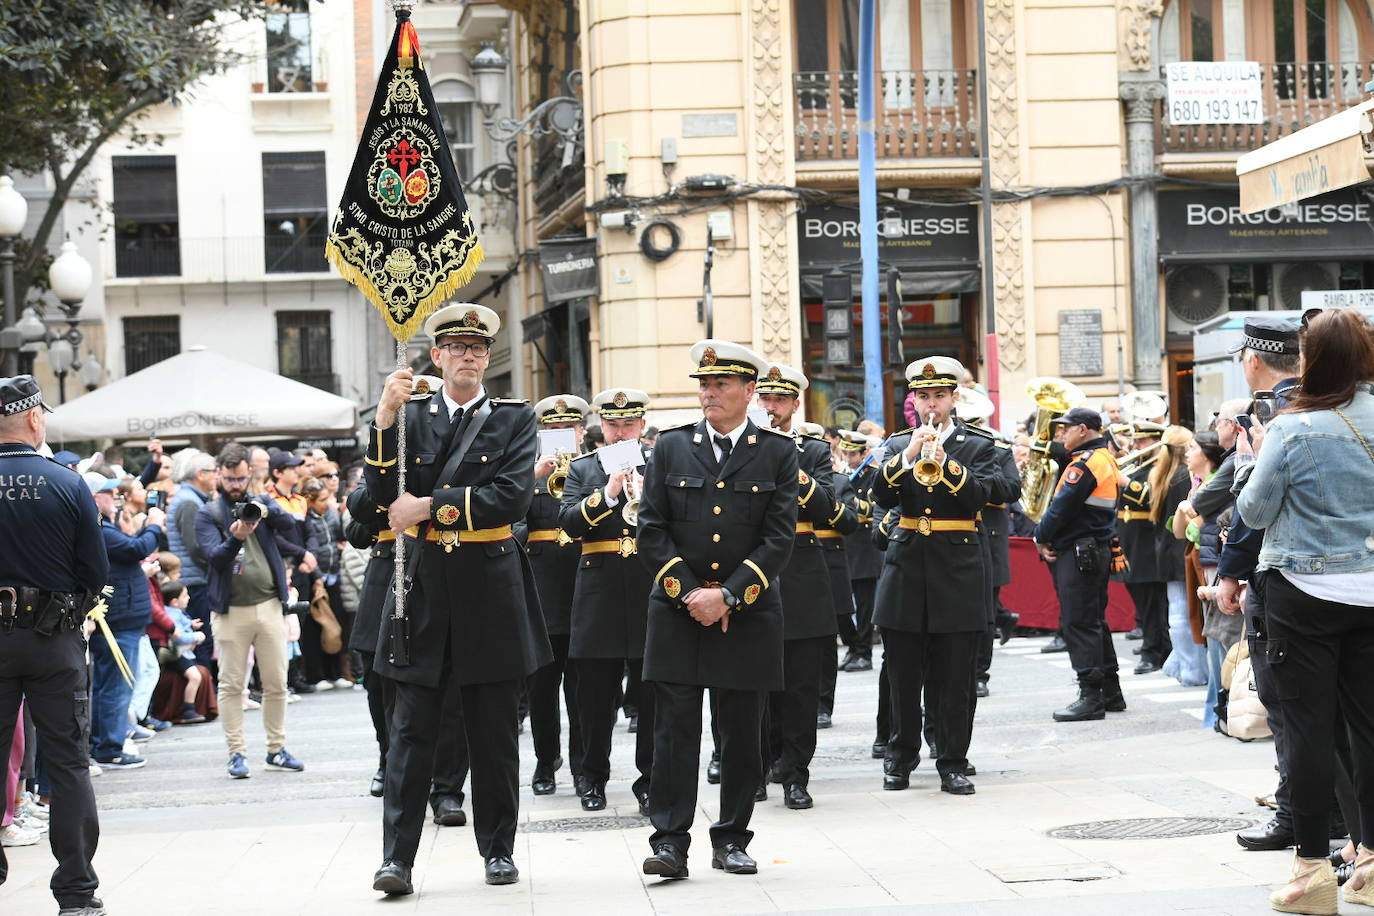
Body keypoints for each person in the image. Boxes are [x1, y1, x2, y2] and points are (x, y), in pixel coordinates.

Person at [366, 303, 550, 894]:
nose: (468, 355)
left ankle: (498, 850)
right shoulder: (410, 417)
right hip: (423, 590)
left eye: (477, 347)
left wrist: (428, 506)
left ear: (486, 357)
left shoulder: (514, 420)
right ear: (437, 356)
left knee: (494, 734)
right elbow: (378, 495)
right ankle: (397, 858)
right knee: (410, 733)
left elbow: (510, 499)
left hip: (489, 586)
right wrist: (383, 419)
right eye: (457, 347)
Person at [1228, 309, 1374, 913]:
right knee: (1369, 728)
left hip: (1305, 591)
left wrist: (1252, 458)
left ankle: (1312, 869)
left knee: (1311, 729)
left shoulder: (1293, 427)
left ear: (1311, 360)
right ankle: (1368, 861)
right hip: (1371, 586)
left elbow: (1256, 514)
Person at [638, 339, 797, 880]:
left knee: (740, 730)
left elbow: (778, 539)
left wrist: (728, 595)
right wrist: (691, 594)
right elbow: (651, 529)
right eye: (703, 385)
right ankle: (669, 840)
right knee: (674, 731)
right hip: (679, 612)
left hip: (746, 613)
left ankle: (732, 837)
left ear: (749, 391)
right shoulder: (671, 447)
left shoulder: (777, 451)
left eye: (721, 384)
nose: (709, 393)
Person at [0, 375, 110, 916]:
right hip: (52, 639)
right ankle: (76, 891)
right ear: (35, 418)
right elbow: (95, 570)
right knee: (66, 762)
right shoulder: (67, 484)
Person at [871, 356, 996, 795]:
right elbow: (878, 494)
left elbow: (991, 494)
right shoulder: (897, 443)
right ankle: (899, 758)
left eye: (939, 395)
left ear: (953, 397)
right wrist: (907, 457)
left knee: (955, 676)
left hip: (958, 567)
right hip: (906, 566)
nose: (932, 403)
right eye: (924, 396)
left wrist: (949, 465)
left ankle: (952, 761)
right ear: (914, 399)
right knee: (902, 674)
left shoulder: (978, 444)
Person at [558, 388, 654, 813]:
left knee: (652, 696)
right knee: (594, 699)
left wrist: (646, 493)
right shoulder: (582, 470)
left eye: (628, 425)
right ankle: (590, 775)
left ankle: (651, 779)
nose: (620, 433)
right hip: (599, 595)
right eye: (613, 426)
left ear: (642, 426)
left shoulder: (661, 464)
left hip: (649, 591)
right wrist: (610, 492)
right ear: (601, 428)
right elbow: (568, 523)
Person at [754, 367, 840, 808]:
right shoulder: (742, 447)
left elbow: (829, 508)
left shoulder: (812, 452)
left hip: (802, 574)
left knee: (801, 683)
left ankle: (795, 772)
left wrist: (794, 465)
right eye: (765, 399)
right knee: (754, 679)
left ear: (794, 405)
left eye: (780, 401)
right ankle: (756, 765)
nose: (771, 408)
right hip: (753, 574)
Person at [195, 442, 306, 780]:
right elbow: (213, 557)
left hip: (271, 605)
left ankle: (276, 748)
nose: (235, 484)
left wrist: (264, 509)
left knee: (277, 682)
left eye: (241, 478)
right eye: (229, 478)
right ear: (218, 475)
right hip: (231, 612)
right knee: (231, 685)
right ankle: (237, 753)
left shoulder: (262, 501)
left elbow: (289, 525)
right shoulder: (209, 513)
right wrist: (236, 537)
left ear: (249, 474)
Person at [1033, 406, 1126, 722]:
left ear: (1083, 430)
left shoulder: (1085, 465)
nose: (1061, 434)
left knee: (1079, 623)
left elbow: (1060, 509)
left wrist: (1039, 536)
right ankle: (1110, 692)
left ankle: (1090, 697)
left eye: (1066, 428)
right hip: (1091, 548)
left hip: (1078, 550)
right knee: (1094, 621)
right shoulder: (1101, 459)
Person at [523, 393, 589, 800]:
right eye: (553, 430)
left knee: (584, 691)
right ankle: (546, 760)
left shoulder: (598, 470)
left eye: (568, 429)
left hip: (585, 593)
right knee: (541, 692)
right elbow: (509, 521)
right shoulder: (526, 475)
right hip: (542, 597)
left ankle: (585, 768)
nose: (561, 437)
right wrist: (533, 477)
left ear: (581, 432)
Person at [91, 472, 164, 769]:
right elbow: (135, 549)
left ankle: (107, 742)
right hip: (118, 620)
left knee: (112, 684)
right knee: (115, 686)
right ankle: (109, 747)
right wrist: (154, 526)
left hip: (121, 617)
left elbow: (128, 549)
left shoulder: (105, 528)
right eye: (109, 492)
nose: (115, 497)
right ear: (95, 497)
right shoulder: (99, 529)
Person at [1118, 423, 1170, 675]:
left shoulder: (1161, 467)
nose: (1136, 446)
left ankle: (1154, 650)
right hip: (1129, 538)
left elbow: (1154, 496)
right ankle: (1157, 645)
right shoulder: (1135, 465)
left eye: (1142, 441)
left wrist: (1127, 483)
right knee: (1142, 598)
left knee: (1151, 600)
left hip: (1148, 541)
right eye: (1136, 441)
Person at [165, 450, 217, 671]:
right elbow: (196, 546)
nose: (217, 476)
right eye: (214, 472)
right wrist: (217, 565)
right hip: (194, 580)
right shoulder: (189, 502)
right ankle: (205, 697)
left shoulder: (191, 498)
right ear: (200, 474)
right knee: (201, 638)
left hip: (193, 577)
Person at [837, 429, 880, 672]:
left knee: (864, 607)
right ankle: (852, 646)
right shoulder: (842, 474)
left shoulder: (872, 476)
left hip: (865, 548)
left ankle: (864, 651)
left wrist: (854, 503)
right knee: (842, 605)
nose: (848, 457)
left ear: (864, 453)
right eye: (845, 452)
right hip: (845, 545)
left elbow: (876, 509)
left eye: (853, 453)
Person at [157, 581, 206, 724]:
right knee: (195, 676)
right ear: (174, 602)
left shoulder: (174, 612)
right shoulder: (173, 614)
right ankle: (188, 709)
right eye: (184, 596)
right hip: (178, 654)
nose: (189, 598)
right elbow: (178, 637)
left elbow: (181, 625)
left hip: (183, 653)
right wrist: (197, 636)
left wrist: (190, 625)